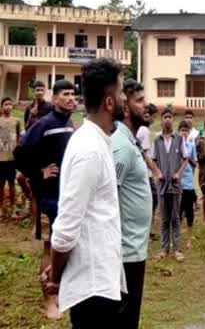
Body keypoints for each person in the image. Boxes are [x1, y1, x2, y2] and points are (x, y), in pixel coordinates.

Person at [43, 59, 125, 327]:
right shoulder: (89, 149)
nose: (124, 97)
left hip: (102, 280)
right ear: (109, 102)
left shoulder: (97, 141)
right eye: (121, 92)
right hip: (92, 289)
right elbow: (66, 229)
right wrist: (55, 278)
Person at [14, 79, 76, 320]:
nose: (72, 98)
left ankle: (60, 292)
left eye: (74, 94)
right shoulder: (44, 124)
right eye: (66, 94)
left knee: (64, 244)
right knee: (50, 247)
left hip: (66, 195)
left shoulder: (70, 124)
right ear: (56, 97)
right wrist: (39, 172)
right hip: (48, 197)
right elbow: (20, 153)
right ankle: (48, 300)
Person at [112, 79, 152, 329]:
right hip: (125, 252)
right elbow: (109, 196)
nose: (145, 105)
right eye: (139, 101)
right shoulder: (121, 146)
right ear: (125, 108)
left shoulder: (130, 142)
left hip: (135, 248)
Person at [153, 108, 190, 261]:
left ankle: (177, 249)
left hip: (175, 186)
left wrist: (178, 174)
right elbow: (154, 160)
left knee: (175, 217)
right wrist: (158, 173)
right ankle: (164, 248)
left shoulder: (179, 139)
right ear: (161, 120)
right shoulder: (157, 140)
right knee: (164, 218)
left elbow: (186, 158)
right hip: (162, 186)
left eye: (170, 117)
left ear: (172, 120)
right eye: (165, 117)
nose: (167, 119)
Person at [136, 104, 162, 240]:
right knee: (152, 200)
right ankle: (147, 230)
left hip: (144, 172)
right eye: (147, 116)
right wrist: (156, 172)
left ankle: (147, 229)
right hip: (145, 173)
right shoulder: (144, 131)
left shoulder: (141, 130)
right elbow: (145, 155)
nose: (150, 119)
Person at [0, 97, 21, 218]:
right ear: (2, 107)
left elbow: (18, 137)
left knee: (12, 184)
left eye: (10, 104)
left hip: (11, 158)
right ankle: (1, 208)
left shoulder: (16, 121)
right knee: (1, 184)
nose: (8, 106)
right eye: (6, 104)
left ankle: (13, 208)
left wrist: (17, 150)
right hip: (1, 158)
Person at [178, 121, 198, 228]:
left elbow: (195, 163)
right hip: (178, 181)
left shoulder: (191, 145)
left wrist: (187, 157)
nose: (184, 133)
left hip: (189, 182)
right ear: (178, 132)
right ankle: (177, 233)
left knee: (189, 209)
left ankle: (190, 235)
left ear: (189, 132)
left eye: (186, 131)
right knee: (178, 209)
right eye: (182, 130)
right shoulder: (175, 145)